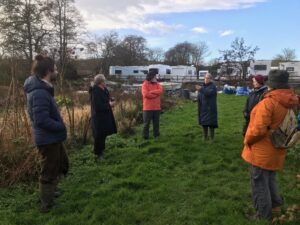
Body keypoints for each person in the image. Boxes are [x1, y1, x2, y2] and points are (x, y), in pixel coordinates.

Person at [242, 70, 299, 221]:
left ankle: (263, 215)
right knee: (270, 179)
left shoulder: (268, 103)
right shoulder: (292, 102)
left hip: (262, 150)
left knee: (259, 183)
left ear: (271, 86)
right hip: (278, 148)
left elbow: (257, 130)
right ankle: (276, 206)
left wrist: (247, 141)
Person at [24, 55, 69, 213]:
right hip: (47, 139)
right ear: (48, 71)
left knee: (60, 165)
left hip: (52, 137)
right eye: (55, 69)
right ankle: (46, 204)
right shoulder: (39, 92)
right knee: (48, 171)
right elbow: (41, 120)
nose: (57, 72)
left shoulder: (43, 88)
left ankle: (51, 192)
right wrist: (60, 126)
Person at [90, 74, 117, 159]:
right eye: (104, 80)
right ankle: (97, 154)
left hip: (105, 116)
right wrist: (109, 104)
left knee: (103, 134)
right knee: (99, 135)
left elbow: (105, 99)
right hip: (99, 117)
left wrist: (110, 100)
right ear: (100, 82)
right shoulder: (95, 92)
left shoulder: (104, 89)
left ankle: (102, 150)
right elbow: (97, 106)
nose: (105, 82)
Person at [196, 73, 218, 142]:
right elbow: (201, 95)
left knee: (211, 124)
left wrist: (200, 89)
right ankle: (205, 137)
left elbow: (208, 93)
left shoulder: (213, 87)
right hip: (203, 108)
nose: (206, 79)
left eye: (208, 78)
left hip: (210, 108)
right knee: (204, 123)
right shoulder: (203, 86)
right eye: (205, 78)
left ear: (210, 79)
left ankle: (212, 138)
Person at [141, 71, 163, 139]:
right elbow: (146, 94)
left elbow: (161, 91)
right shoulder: (145, 84)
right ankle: (145, 136)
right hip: (147, 108)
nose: (156, 78)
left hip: (157, 108)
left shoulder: (157, 84)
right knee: (146, 124)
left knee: (156, 123)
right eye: (154, 76)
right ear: (151, 77)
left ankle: (156, 135)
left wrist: (152, 92)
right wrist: (156, 95)